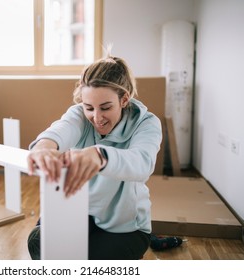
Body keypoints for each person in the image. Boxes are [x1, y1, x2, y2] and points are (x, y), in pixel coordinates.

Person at [26, 52, 162, 260]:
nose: (96, 118)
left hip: (125, 226)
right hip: (80, 210)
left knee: (87, 261)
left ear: (124, 99)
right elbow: (62, 129)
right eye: (89, 107)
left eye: (106, 108)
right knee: (40, 242)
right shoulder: (79, 115)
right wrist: (44, 146)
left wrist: (100, 155)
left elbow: (142, 163)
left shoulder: (146, 123)